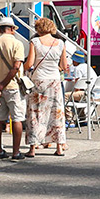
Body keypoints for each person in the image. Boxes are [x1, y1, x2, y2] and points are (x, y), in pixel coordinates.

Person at [25, 17, 68, 158]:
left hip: (39, 80)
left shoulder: (35, 42)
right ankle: (59, 147)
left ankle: (32, 148)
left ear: (39, 28)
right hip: (54, 81)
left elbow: (30, 63)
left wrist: (25, 68)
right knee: (56, 113)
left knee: (36, 114)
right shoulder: (60, 43)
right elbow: (63, 66)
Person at [0, 16, 27, 160]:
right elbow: (16, 66)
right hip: (13, 86)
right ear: (11, 28)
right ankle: (16, 152)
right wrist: (4, 83)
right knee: (17, 118)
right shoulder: (17, 44)